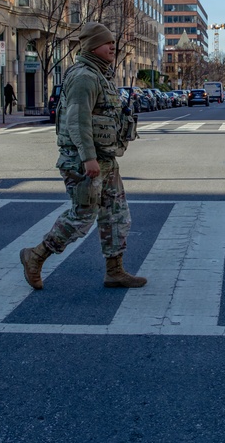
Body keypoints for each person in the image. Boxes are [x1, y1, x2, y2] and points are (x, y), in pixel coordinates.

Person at [19, 21, 144, 290]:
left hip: (106, 160)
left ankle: (115, 271)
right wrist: (88, 158)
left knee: (116, 216)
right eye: (107, 42)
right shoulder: (84, 76)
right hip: (84, 162)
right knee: (82, 217)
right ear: (91, 46)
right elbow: (77, 121)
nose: (113, 46)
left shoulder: (101, 75)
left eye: (113, 41)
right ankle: (36, 255)